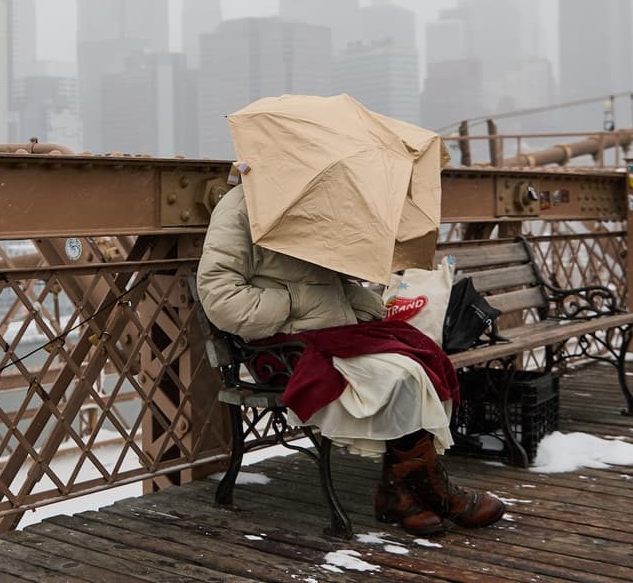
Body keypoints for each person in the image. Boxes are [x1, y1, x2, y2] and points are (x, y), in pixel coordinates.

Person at [197, 182, 504, 536]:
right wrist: (298, 301)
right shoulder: (239, 208)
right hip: (281, 350)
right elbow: (221, 298)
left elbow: (323, 281)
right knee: (401, 376)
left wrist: (365, 304)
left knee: (421, 361)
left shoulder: (303, 200)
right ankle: (431, 492)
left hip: (328, 335)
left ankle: (403, 494)